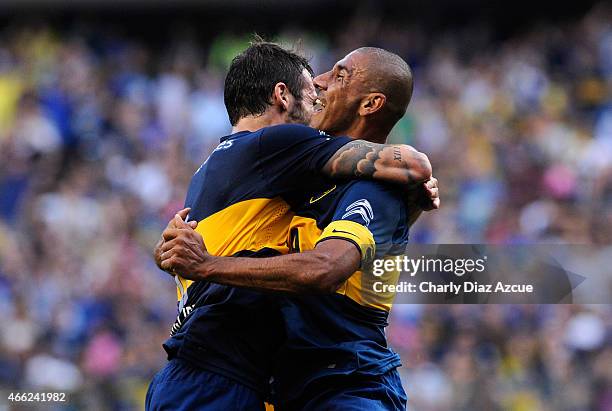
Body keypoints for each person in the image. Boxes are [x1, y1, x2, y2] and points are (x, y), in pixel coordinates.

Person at [146, 40, 432, 411]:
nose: (323, 84)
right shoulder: (277, 155)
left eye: (338, 75)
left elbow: (332, 265)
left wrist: (409, 202)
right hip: (239, 376)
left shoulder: (330, 185)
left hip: (345, 384)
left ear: (370, 103)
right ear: (281, 96)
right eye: (312, 85)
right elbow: (412, 168)